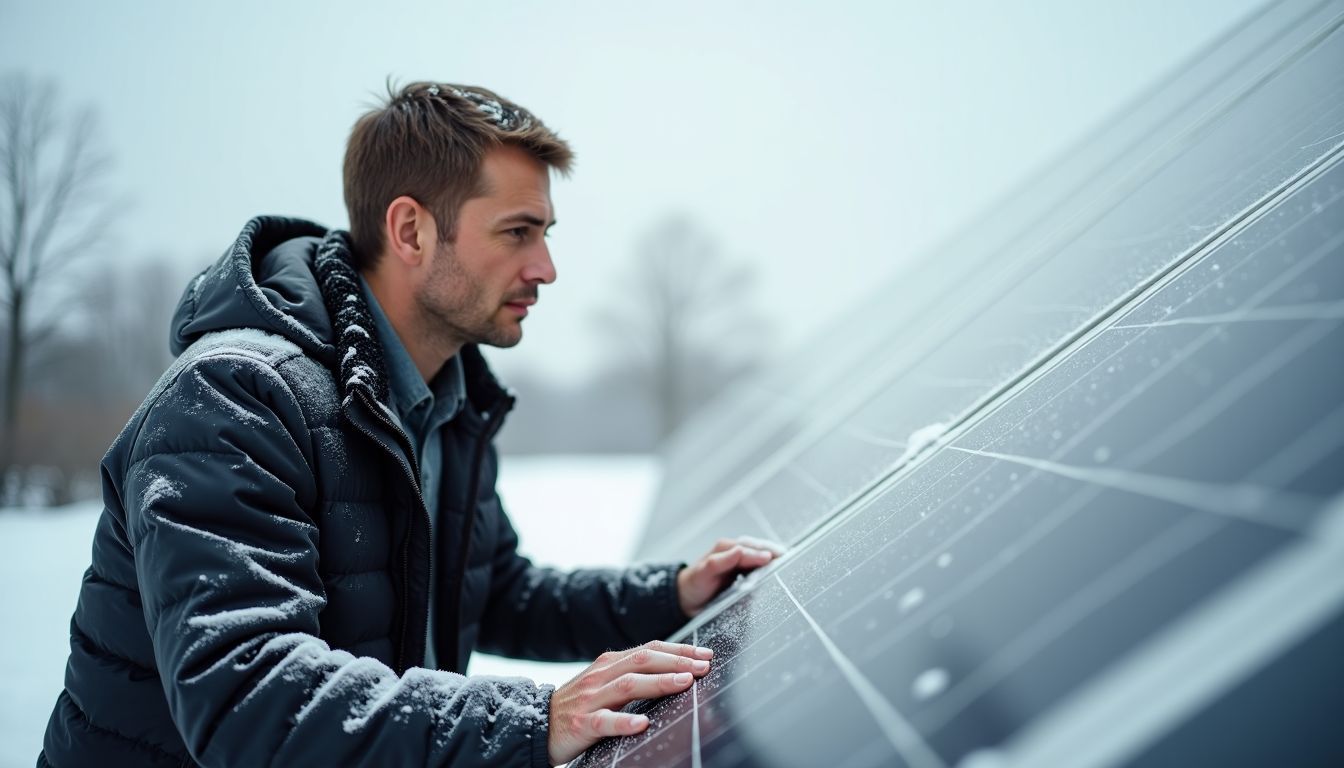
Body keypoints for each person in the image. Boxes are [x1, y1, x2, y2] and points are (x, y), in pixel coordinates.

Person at [39, 82, 776, 768]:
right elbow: (248, 695)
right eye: (518, 232)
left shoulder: (445, 397)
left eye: (546, 232)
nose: (547, 267)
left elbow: (495, 591)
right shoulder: (233, 400)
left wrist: (672, 594)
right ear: (411, 230)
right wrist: (534, 720)